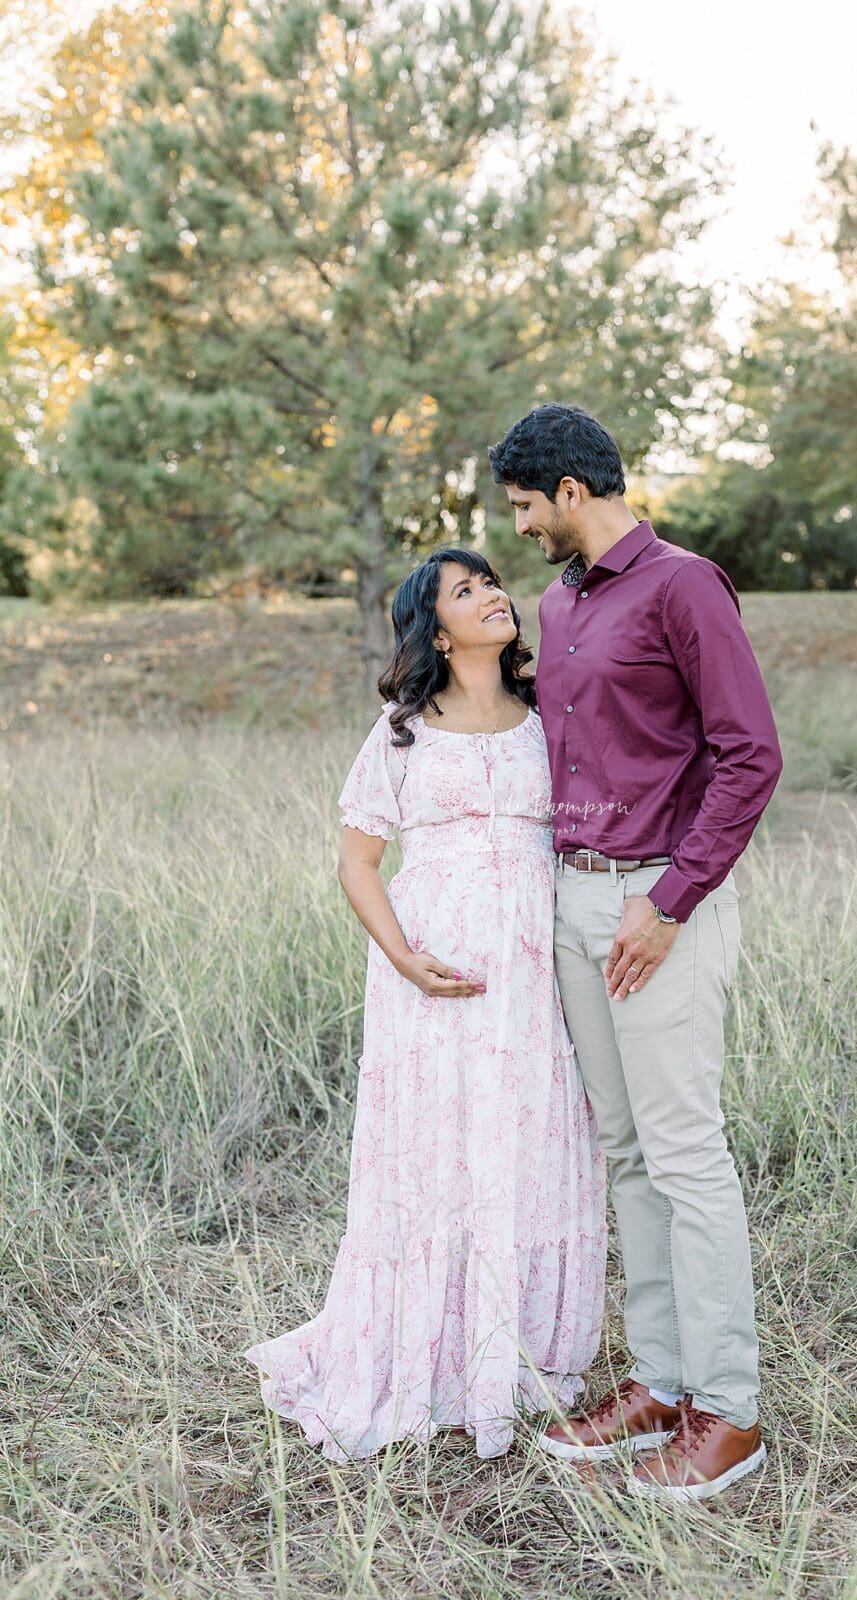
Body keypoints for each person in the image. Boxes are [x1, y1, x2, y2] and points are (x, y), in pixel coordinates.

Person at [243, 547, 607, 1461]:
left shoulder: (543, 719)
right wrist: (404, 958)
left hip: (534, 968)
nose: (493, 595)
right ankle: (424, 1354)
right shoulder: (402, 730)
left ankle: (518, 1352)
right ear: (435, 629)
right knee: (438, 1149)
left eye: (491, 581)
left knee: (527, 1141)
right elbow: (357, 862)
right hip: (431, 967)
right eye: (467, 589)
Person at [488, 403, 783, 1503]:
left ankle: (729, 1410)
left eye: (523, 503)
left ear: (569, 488)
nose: (517, 526)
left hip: (660, 905)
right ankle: (661, 1381)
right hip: (572, 900)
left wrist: (667, 902)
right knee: (626, 1148)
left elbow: (749, 755)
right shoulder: (559, 607)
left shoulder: (684, 584)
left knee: (685, 1150)